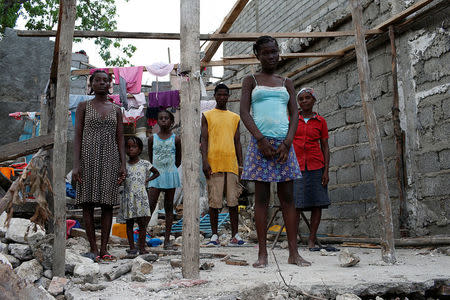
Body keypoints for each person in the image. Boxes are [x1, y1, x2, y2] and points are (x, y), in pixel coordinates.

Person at [240, 35, 311, 268]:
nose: (271, 56)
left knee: (288, 199)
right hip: (261, 145)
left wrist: (288, 142)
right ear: (257, 55)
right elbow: (244, 113)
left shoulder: (286, 82)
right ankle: (262, 254)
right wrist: (260, 139)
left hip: (283, 145)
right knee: (261, 199)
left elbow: (295, 115)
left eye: (274, 52)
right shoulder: (250, 80)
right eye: (266, 53)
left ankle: (294, 253)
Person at [73, 70, 126, 262]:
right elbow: (77, 136)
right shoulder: (83, 107)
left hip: (110, 158)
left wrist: (123, 164)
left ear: (109, 84)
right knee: (87, 202)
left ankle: (104, 248)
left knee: (107, 204)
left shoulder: (116, 109)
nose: (102, 83)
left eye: (106, 80)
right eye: (98, 80)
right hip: (87, 157)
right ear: (92, 83)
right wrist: (76, 164)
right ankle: (93, 248)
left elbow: (120, 138)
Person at [201, 83, 244, 246]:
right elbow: (203, 139)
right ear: (215, 96)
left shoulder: (235, 117)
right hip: (213, 164)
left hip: (231, 164)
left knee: (233, 201)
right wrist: (205, 161)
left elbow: (238, 142)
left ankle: (235, 235)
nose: (222, 97)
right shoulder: (207, 115)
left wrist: (241, 164)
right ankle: (214, 235)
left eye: (225, 95)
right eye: (219, 94)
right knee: (214, 202)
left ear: (229, 96)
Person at [293, 88, 331, 251]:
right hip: (296, 167)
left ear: (314, 100)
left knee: (317, 204)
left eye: (307, 98)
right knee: (296, 205)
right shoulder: (293, 119)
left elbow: (325, 147)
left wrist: (326, 171)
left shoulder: (320, 121)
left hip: (316, 166)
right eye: (301, 99)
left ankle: (311, 239)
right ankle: (293, 240)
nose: (304, 101)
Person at [148, 109, 181, 249]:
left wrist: (169, 168)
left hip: (170, 174)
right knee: (150, 205)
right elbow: (150, 158)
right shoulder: (152, 138)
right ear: (157, 121)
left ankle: (167, 240)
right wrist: (157, 169)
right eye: (160, 118)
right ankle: (142, 237)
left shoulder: (176, 139)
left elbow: (178, 160)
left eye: (166, 118)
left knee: (169, 207)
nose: (163, 120)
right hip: (156, 175)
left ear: (171, 122)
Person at [121, 136, 160, 255]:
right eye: (128, 147)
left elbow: (156, 172)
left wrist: (147, 179)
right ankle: (132, 247)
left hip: (141, 197)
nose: (130, 149)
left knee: (142, 224)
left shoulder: (145, 163)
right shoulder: (124, 165)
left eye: (134, 147)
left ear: (140, 149)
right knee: (129, 223)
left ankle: (142, 247)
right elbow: (120, 178)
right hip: (129, 197)